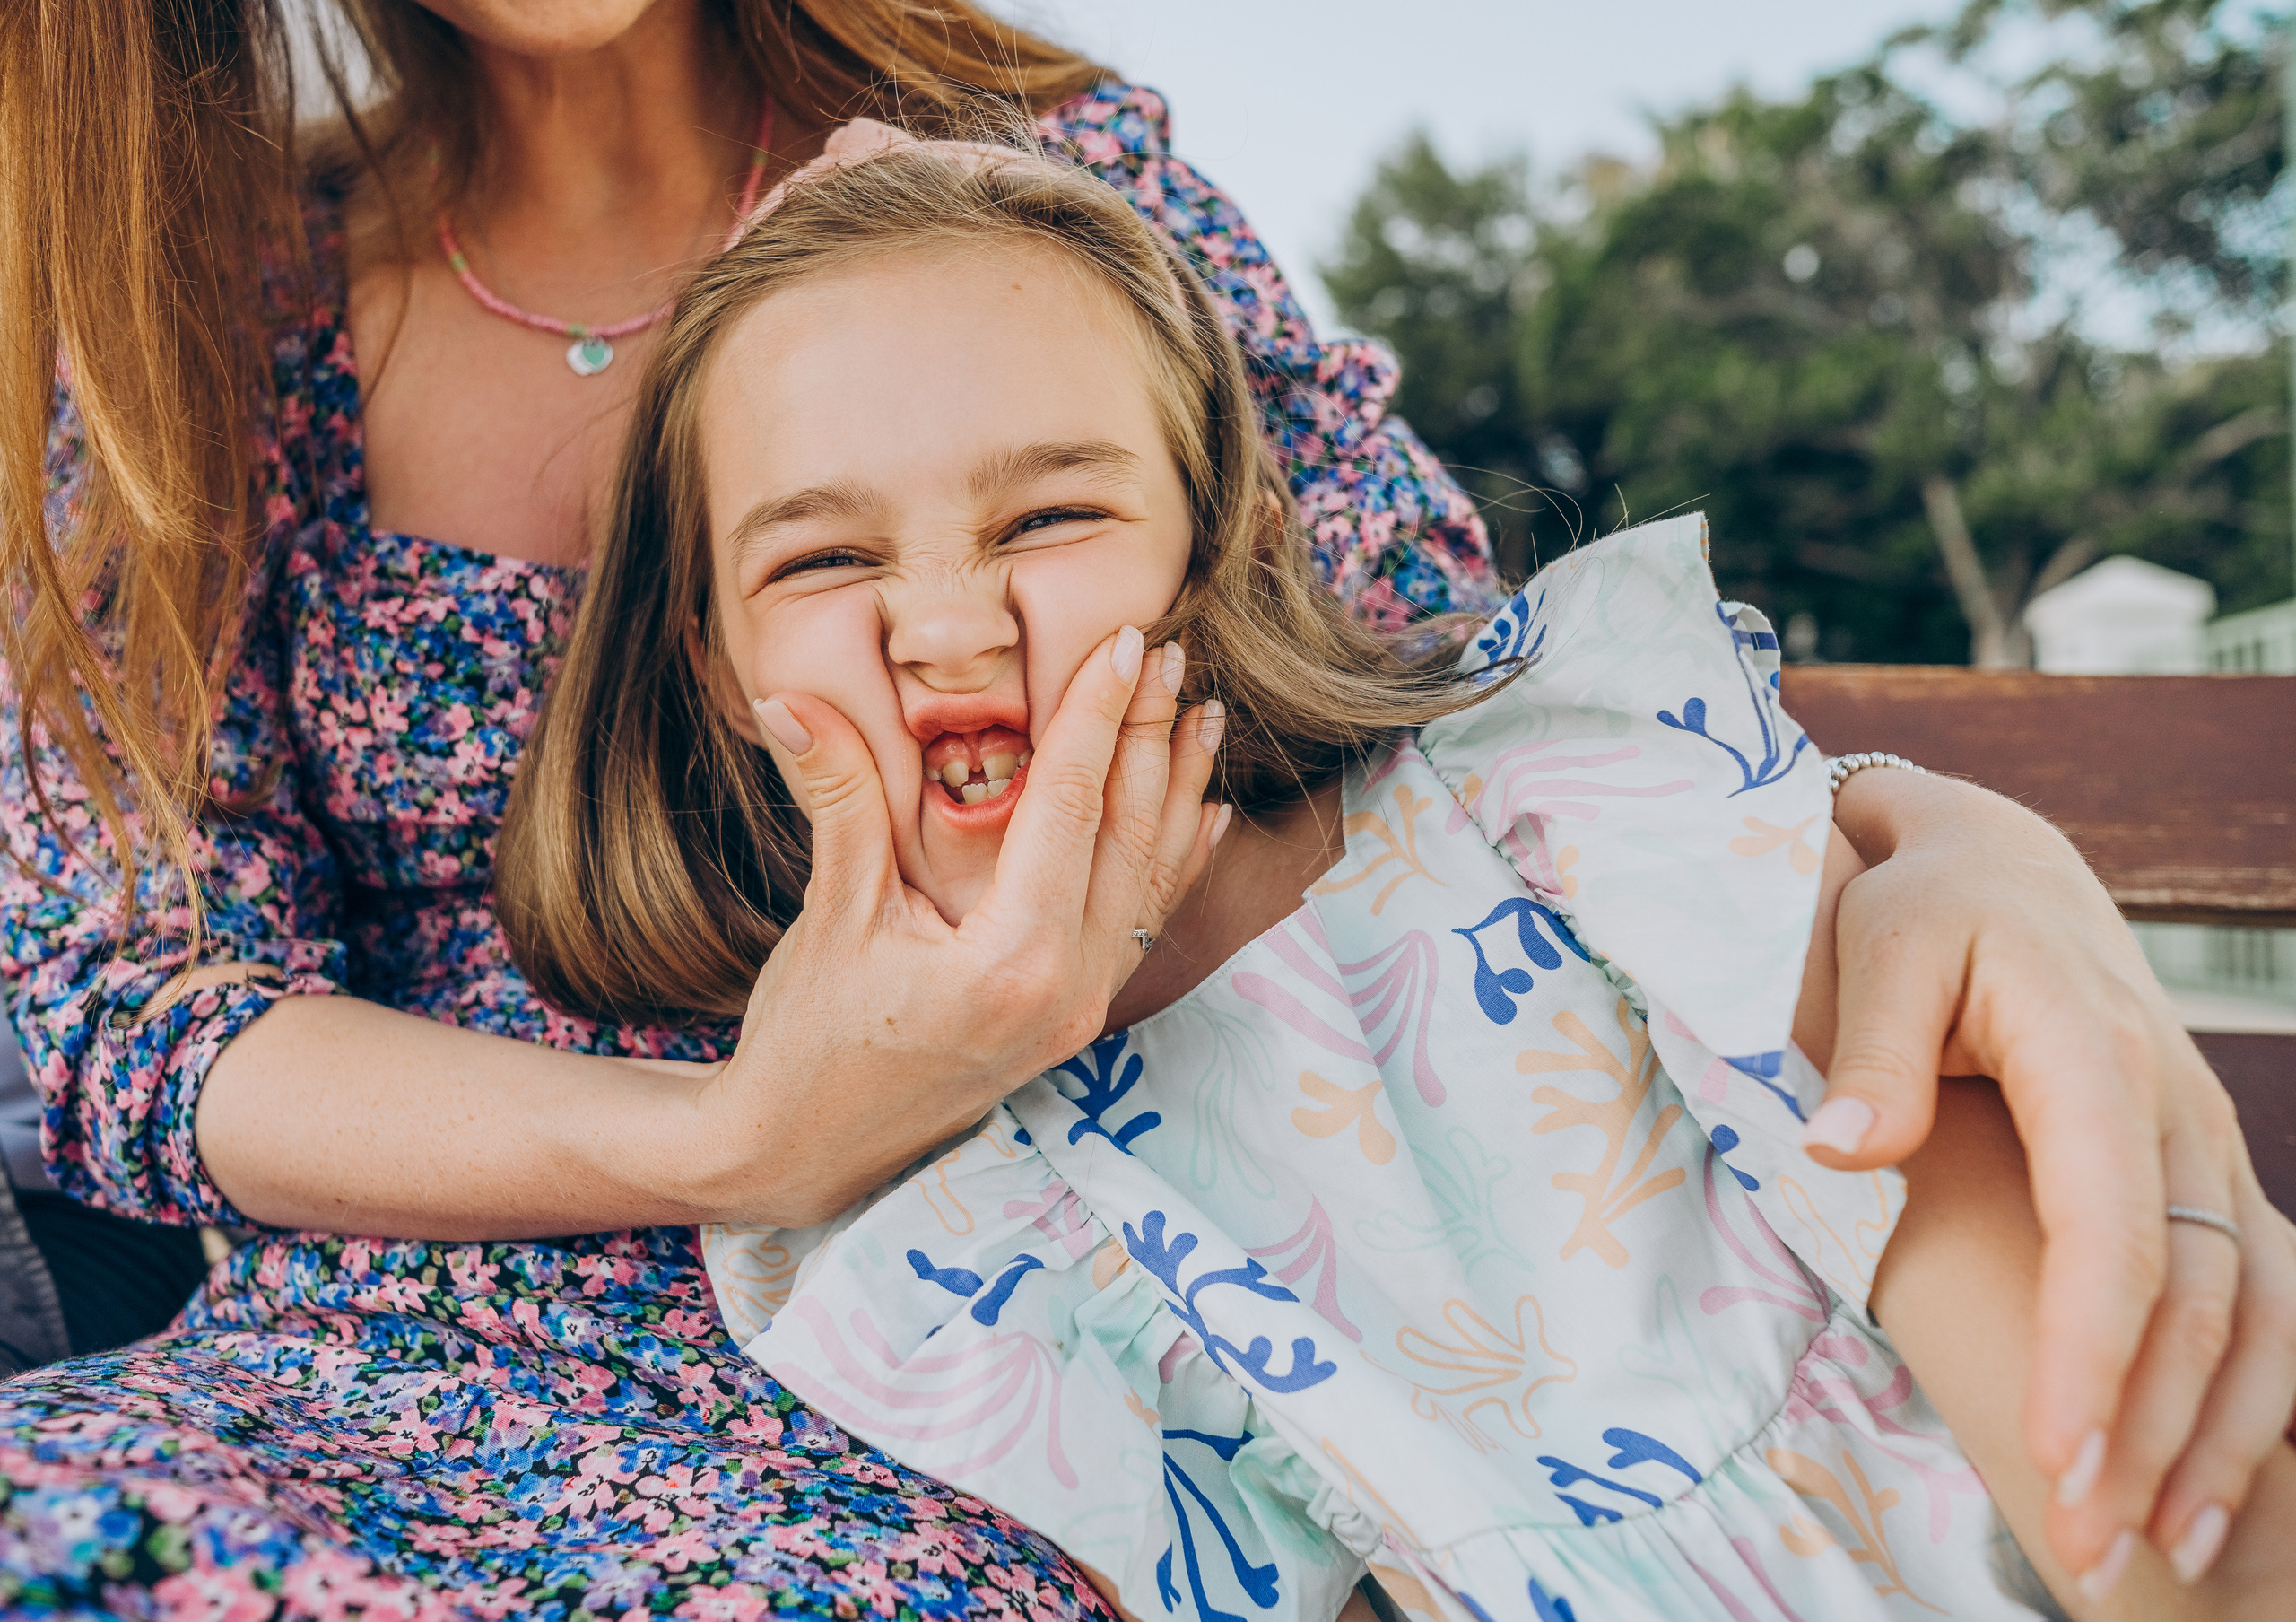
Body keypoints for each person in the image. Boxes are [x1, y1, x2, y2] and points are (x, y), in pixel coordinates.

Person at [0, 0, 2284, 1614]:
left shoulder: (1040, 172)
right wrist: (739, 1131)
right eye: (818, 553)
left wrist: (1949, 835)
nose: (942, 617)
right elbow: (111, 1010)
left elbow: (1435, 668)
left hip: (959, 1355)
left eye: (1035, 525)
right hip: (423, 1345)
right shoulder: (193, 304)